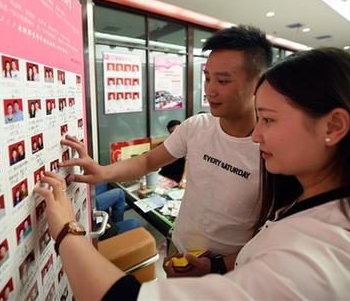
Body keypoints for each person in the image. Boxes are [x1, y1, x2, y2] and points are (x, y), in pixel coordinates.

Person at [34, 47, 350, 300]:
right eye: (207, 79)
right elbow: (150, 161)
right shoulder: (314, 198)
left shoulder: (310, 264)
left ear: (333, 127)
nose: (258, 135)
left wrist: (67, 227)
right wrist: (219, 263)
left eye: (269, 119)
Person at [60, 26, 270, 270]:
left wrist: (217, 266)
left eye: (222, 80)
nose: (210, 89)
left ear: (258, 84)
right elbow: (148, 162)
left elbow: (273, 236)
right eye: (208, 77)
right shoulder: (196, 127)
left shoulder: (271, 148)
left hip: (228, 270)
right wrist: (102, 171)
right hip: (178, 248)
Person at [158, 120, 186, 184]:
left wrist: (183, 180)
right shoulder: (164, 145)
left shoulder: (188, 146)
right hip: (164, 177)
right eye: (172, 132)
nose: (175, 134)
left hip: (179, 179)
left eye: (177, 131)